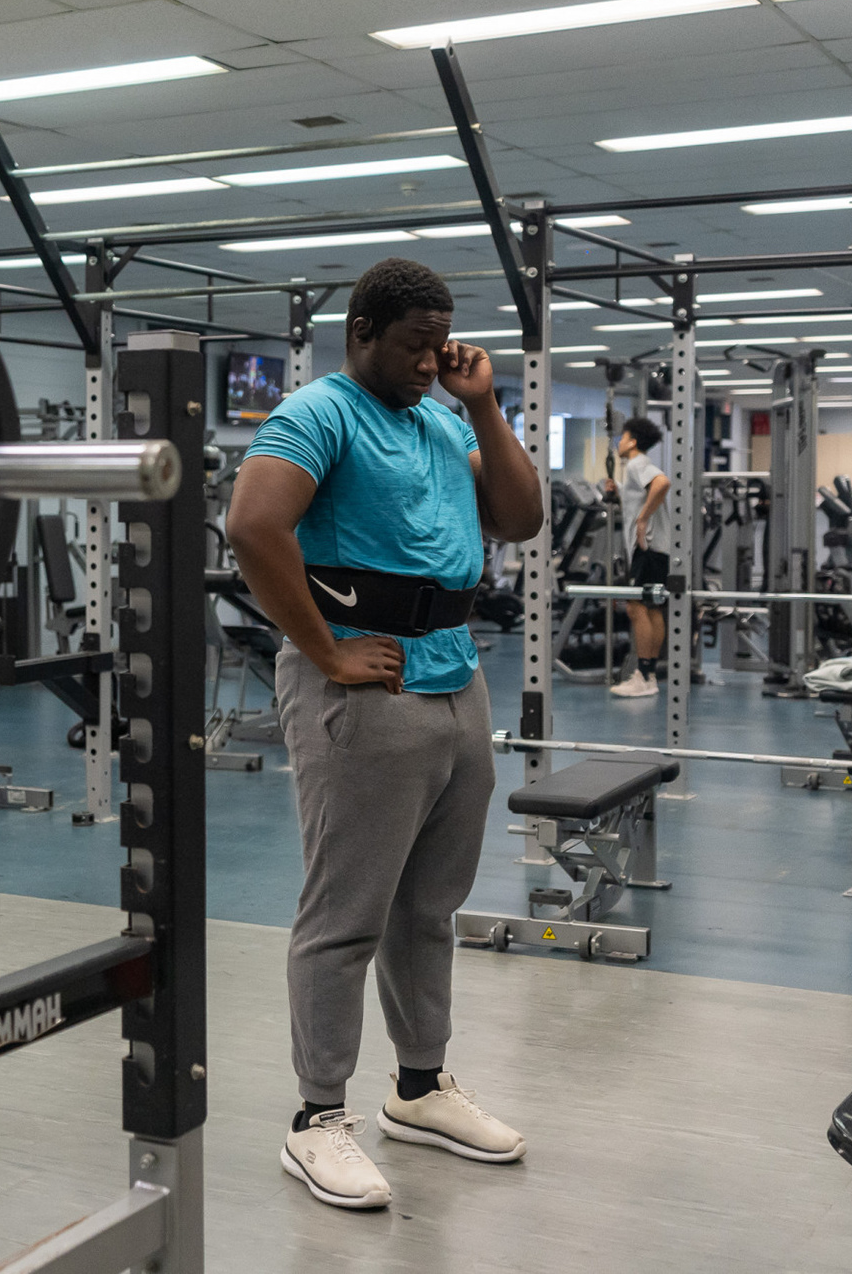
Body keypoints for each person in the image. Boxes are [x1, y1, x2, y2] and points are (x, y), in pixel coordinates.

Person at [225, 257, 544, 1211]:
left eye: (437, 346)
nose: (425, 362)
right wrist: (322, 652)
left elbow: (521, 517)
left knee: (428, 906)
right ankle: (318, 1117)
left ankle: (418, 1089)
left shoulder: (444, 416)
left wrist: (484, 405)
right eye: (411, 346)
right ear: (360, 331)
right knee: (346, 915)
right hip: (365, 691)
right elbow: (251, 524)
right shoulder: (319, 413)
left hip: (454, 675)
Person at [604, 417, 672, 698]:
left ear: (632, 441)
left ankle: (643, 676)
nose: (619, 441)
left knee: (636, 607)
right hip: (656, 549)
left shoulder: (635, 463)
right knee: (651, 608)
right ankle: (649, 674)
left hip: (648, 547)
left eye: (623, 437)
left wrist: (643, 520)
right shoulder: (633, 468)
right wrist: (619, 494)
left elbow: (662, 482)